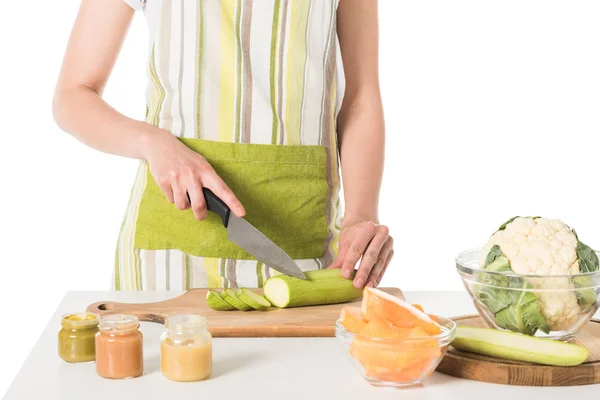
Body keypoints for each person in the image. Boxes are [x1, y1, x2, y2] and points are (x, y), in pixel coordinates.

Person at [53, 0, 393, 291]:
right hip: (168, 262)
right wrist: (152, 142)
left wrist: (360, 216)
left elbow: (361, 98)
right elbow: (73, 95)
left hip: (304, 257)